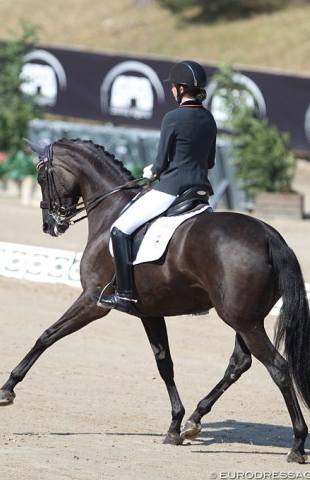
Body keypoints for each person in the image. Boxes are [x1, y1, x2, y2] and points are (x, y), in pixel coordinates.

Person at [97, 60, 217, 313]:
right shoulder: (209, 118)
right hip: (201, 192)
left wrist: (152, 172)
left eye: (174, 87)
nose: (172, 90)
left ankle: (125, 294)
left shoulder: (173, 118)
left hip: (172, 189)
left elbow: (161, 161)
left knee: (119, 229)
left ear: (182, 88)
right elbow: (210, 161)